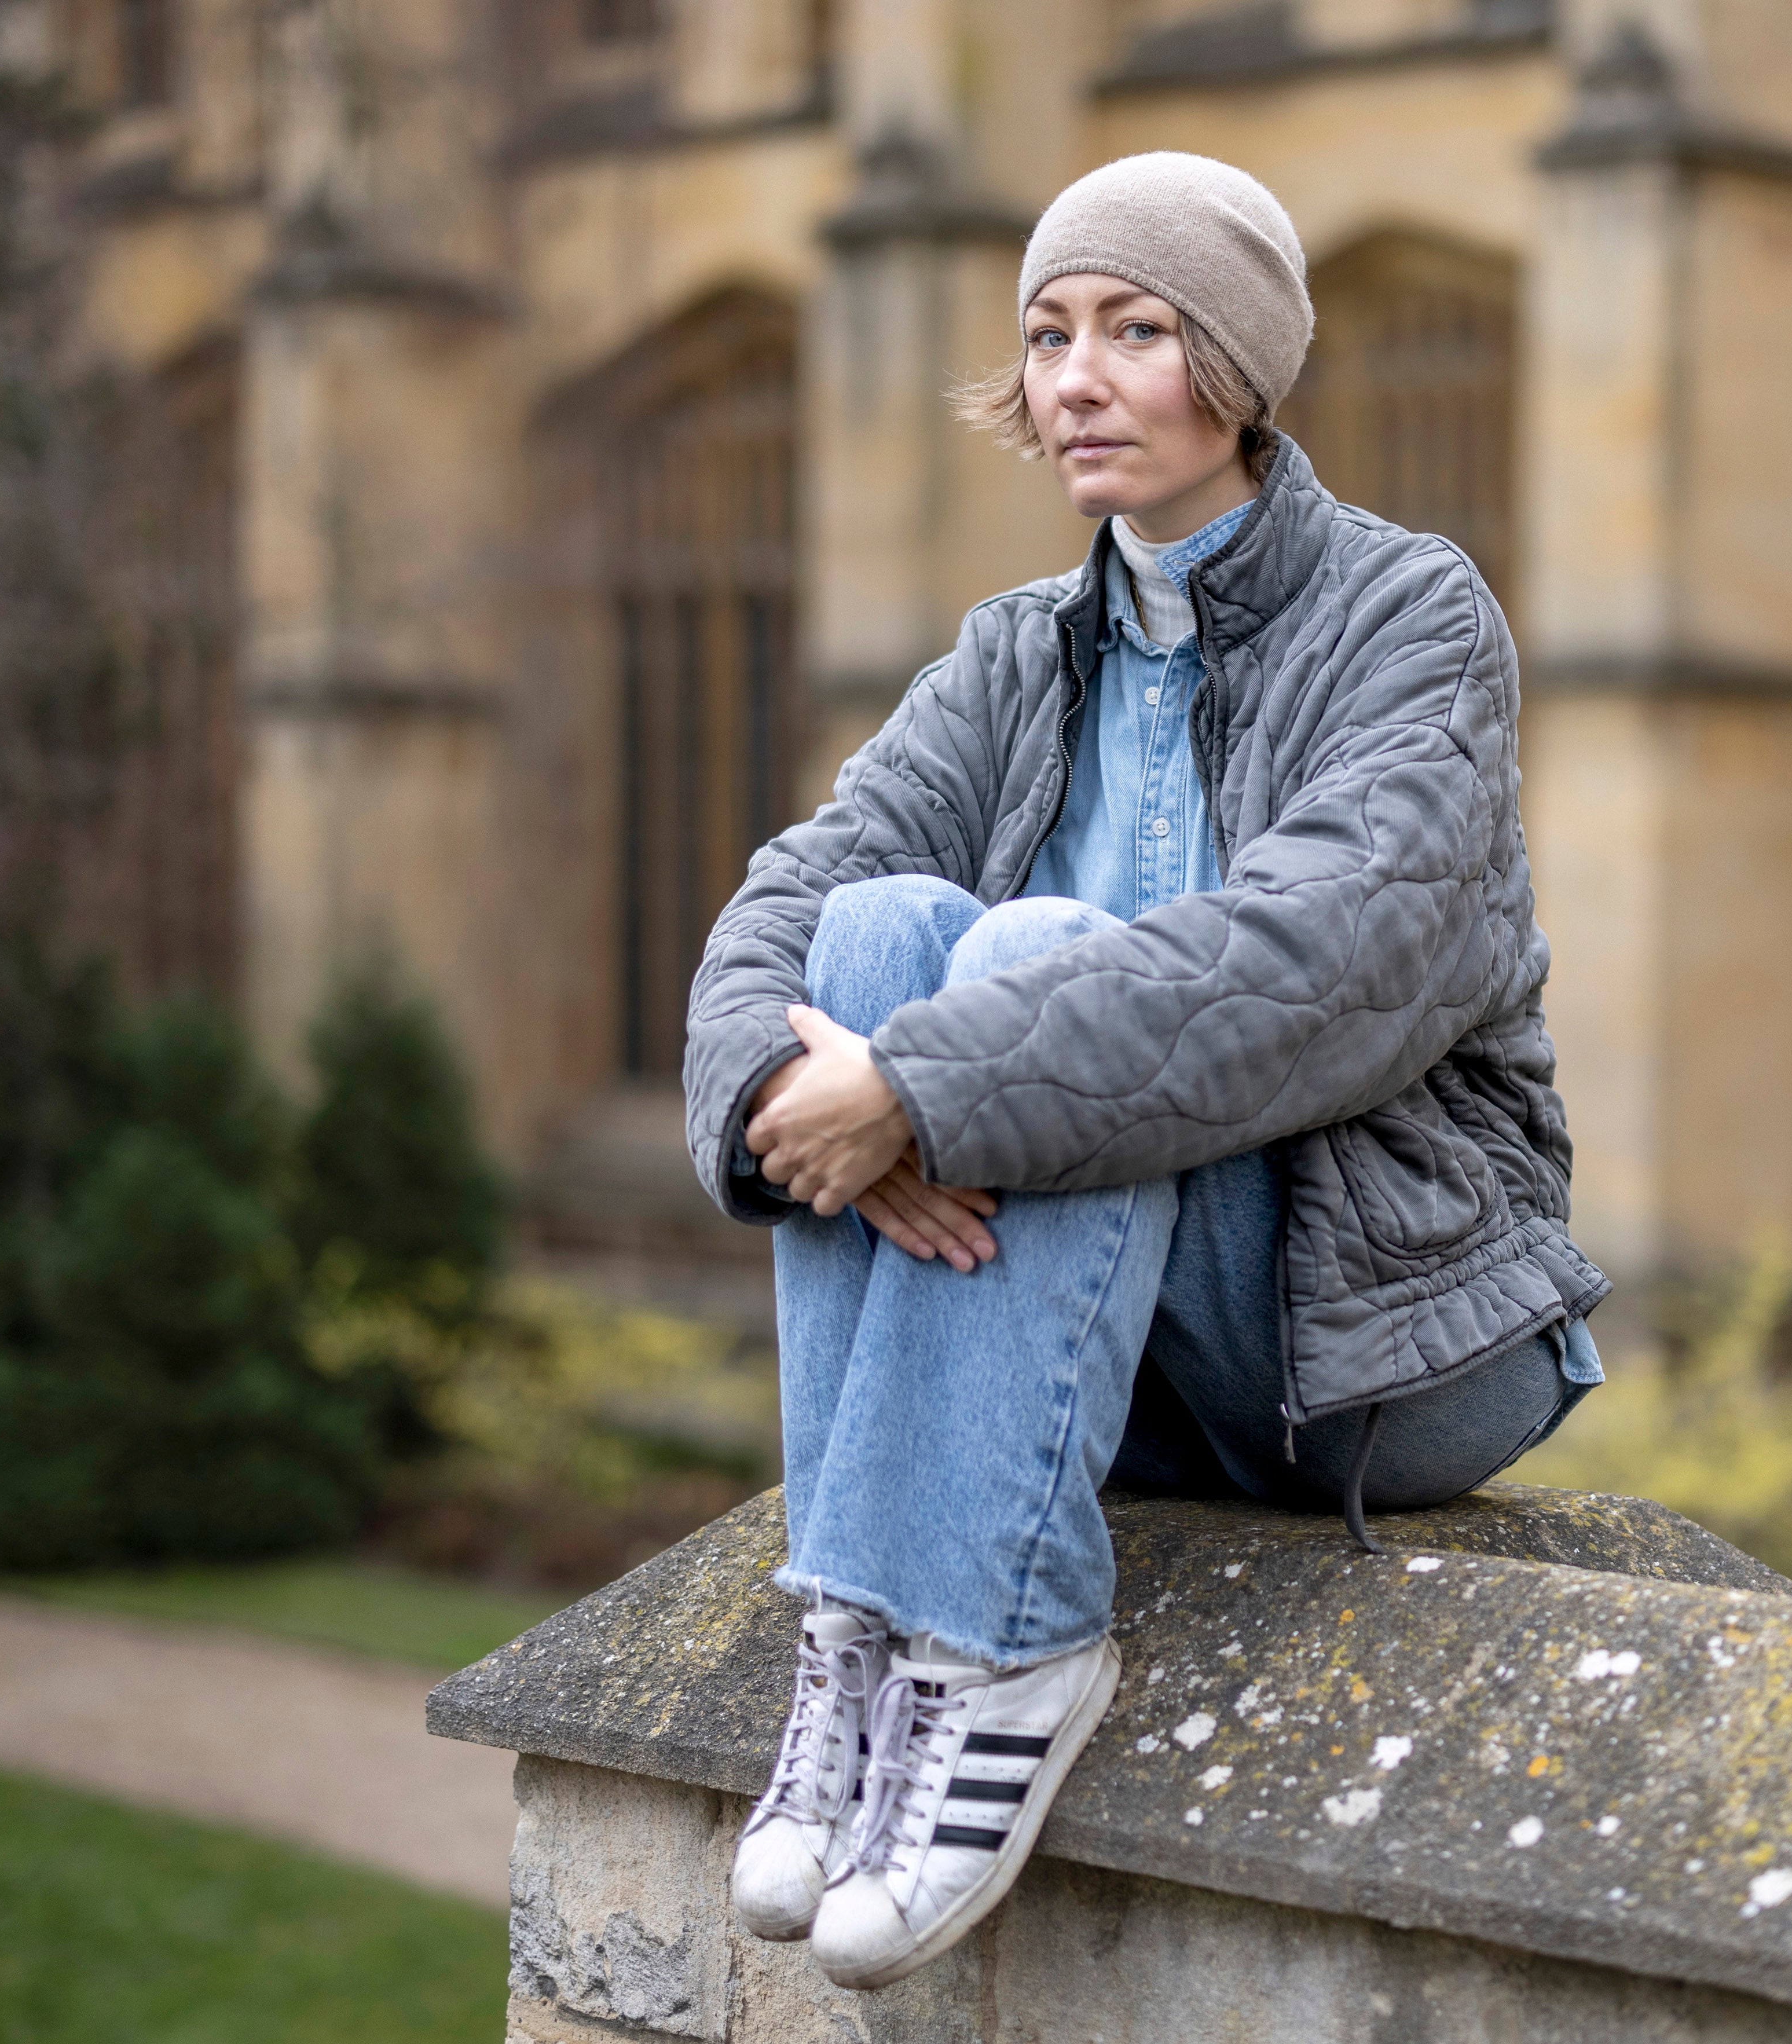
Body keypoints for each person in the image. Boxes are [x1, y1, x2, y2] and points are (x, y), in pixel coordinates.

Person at [680, 152, 1608, 1991]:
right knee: (867, 938)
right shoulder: (1017, 653)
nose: (1076, 377)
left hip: (1374, 1343)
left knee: (1026, 962)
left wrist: (929, 1095)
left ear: (1241, 369)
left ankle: (1005, 1636)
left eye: (1137, 330)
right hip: (1088, 1344)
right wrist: (785, 1100)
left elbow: (1303, 968)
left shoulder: (1409, 622)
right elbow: (789, 894)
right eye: (1045, 337)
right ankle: (857, 1622)